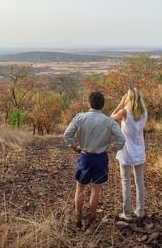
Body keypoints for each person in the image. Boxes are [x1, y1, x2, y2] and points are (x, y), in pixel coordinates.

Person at [63, 91, 125, 228]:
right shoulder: (109, 121)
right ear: (102, 105)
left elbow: (67, 134)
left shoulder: (80, 118)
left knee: (80, 187)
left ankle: (78, 216)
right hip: (101, 158)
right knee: (96, 189)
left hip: (84, 156)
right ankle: (92, 218)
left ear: (89, 103)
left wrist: (74, 147)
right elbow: (122, 139)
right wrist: (111, 148)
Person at [111, 88, 148, 221]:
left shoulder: (124, 112)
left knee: (126, 181)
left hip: (126, 150)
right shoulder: (144, 113)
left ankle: (127, 213)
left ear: (129, 98)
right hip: (139, 149)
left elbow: (110, 119)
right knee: (139, 181)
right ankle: (140, 210)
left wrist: (120, 104)